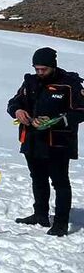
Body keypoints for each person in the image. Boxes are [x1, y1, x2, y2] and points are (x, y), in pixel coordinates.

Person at [7, 47, 84, 236]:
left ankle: (60, 223)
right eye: (37, 69)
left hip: (58, 142)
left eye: (44, 69)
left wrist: (58, 119)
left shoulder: (69, 84)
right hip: (32, 139)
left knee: (60, 182)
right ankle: (40, 214)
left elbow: (81, 111)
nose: (40, 72)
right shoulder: (30, 82)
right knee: (38, 178)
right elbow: (14, 102)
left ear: (53, 66)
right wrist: (18, 111)